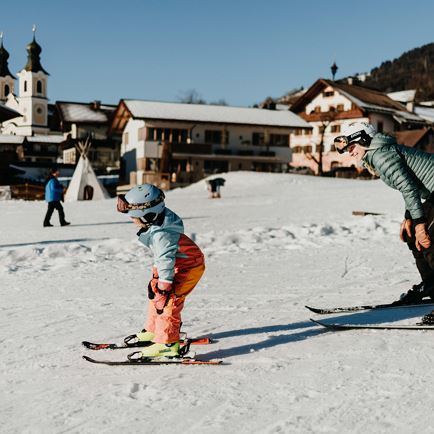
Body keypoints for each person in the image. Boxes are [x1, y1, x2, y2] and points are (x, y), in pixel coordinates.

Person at [333, 122, 434, 323]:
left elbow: (408, 188)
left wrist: (420, 221)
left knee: (429, 238)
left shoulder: (380, 154)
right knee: (413, 235)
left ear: (363, 140)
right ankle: (431, 286)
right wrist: (410, 218)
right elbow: (410, 184)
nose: (349, 153)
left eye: (351, 147)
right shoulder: (379, 153)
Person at [117, 184, 205, 358]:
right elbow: (162, 258)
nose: (132, 221)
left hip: (190, 267)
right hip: (177, 264)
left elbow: (165, 258)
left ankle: (167, 344)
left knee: (169, 301)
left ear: (147, 215)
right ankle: (153, 331)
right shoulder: (158, 221)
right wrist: (157, 281)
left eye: (134, 217)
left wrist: (164, 285)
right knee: (156, 297)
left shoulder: (162, 235)